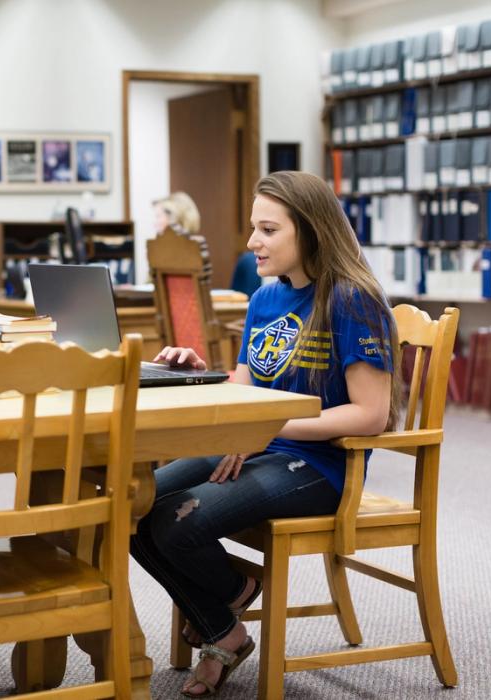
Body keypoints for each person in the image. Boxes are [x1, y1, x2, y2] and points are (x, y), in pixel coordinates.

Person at [132, 171, 401, 697]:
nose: (252, 242)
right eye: (254, 228)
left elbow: (371, 415)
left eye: (268, 229)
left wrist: (264, 427)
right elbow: (247, 382)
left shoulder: (353, 299)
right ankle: (229, 616)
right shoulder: (265, 297)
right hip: (257, 446)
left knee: (178, 526)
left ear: (311, 230)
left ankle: (222, 618)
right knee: (132, 504)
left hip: (321, 464)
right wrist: (197, 372)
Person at [152, 191, 212, 278]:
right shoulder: (159, 249)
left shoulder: (192, 249)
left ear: (175, 218)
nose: (155, 223)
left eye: (158, 216)